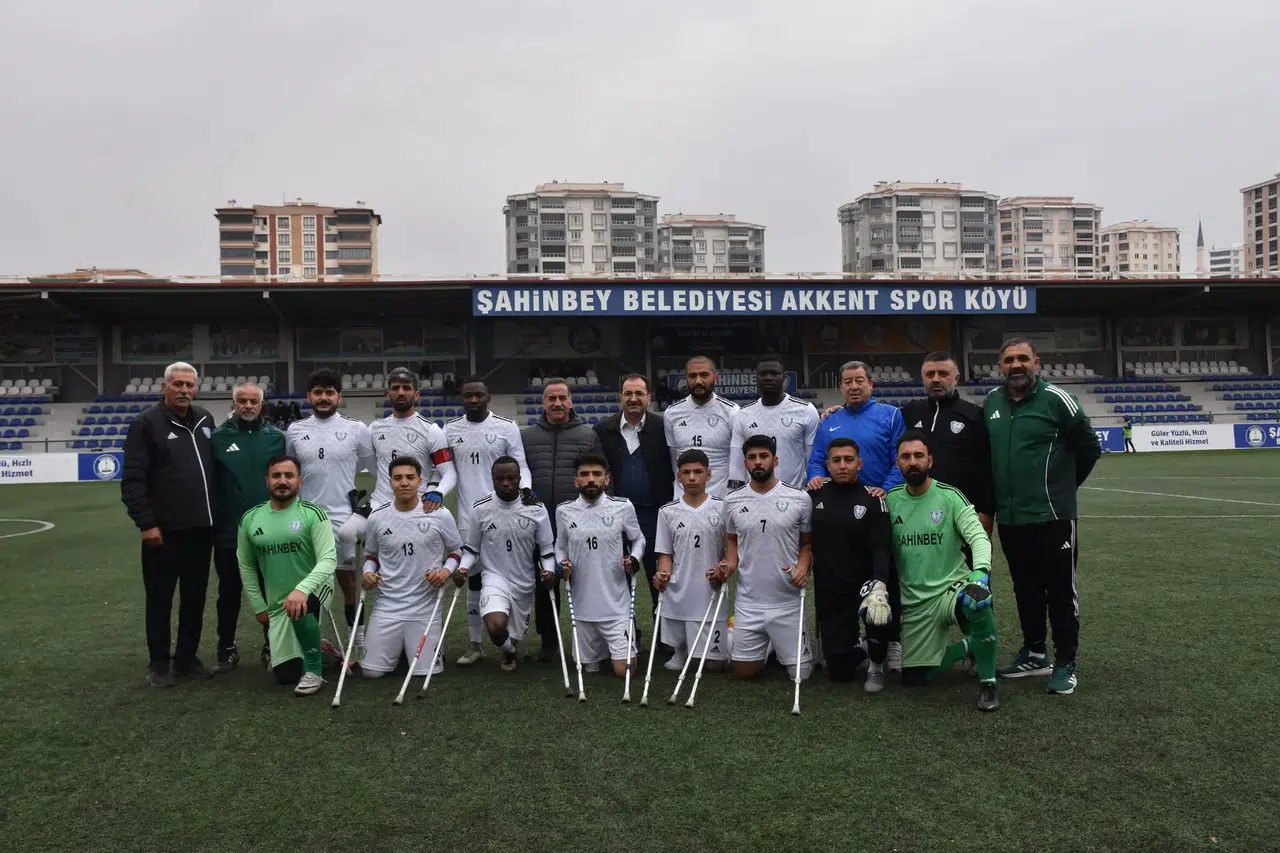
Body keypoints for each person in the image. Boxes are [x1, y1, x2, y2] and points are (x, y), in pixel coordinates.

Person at [985, 338, 1101, 695]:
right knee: (1026, 589)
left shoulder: (1057, 400)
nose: (1016, 365)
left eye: (1023, 358)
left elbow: (1089, 448)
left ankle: (1066, 662)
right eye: (1009, 360)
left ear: (1037, 363)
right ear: (1000, 366)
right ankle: (1035, 653)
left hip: (1053, 516)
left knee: (1061, 591)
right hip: (1012, 518)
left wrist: (1062, 490)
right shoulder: (991, 402)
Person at [886, 431, 999, 712]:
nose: (913, 462)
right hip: (915, 602)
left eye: (918, 456)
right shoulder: (890, 501)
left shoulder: (950, 497)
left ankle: (989, 683)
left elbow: (978, 537)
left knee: (978, 603)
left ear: (930, 461)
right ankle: (972, 646)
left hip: (953, 587)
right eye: (906, 457)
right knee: (917, 679)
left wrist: (980, 575)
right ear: (897, 463)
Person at [341, 367, 456, 643]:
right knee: (345, 534)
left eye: (406, 388)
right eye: (396, 387)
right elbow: (370, 468)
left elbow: (448, 472)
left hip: (418, 506)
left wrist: (436, 492)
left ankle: (414, 621)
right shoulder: (375, 429)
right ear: (387, 393)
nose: (401, 392)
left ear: (416, 393)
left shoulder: (431, 430)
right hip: (381, 505)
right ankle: (354, 600)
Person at [121, 361, 217, 687]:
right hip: (163, 533)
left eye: (190, 385)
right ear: (164, 387)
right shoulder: (145, 424)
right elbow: (133, 480)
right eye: (178, 384)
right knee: (160, 599)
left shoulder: (205, 419)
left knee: (195, 598)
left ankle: (186, 658)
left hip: (202, 531)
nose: (184, 390)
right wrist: (146, 524)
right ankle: (159, 662)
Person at [285, 369, 376, 647]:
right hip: (305, 520)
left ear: (339, 397)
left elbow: (376, 471)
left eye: (329, 392)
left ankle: (357, 645)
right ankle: (312, 646)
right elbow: (290, 473)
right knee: (307, 585)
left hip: (342, 522)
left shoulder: (356, 429)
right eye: (318, 392)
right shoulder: (295, 430)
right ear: (308, 397)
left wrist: (368, 507)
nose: (323, 398)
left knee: (349, 584)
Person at [710, 435, 813, 681]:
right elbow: (733, 541)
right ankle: (761, 641)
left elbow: (807, 544)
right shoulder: (733, 501)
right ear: (745, 462)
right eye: (752, 457)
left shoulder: (799, 498)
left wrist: (802, 567)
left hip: (787, 602)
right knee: (744, 673)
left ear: (775, 460)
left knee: (802, 675)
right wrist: (728, 565)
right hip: (749, 602)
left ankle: (778, 640)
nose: (758, 462)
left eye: (763, 456)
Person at [445, 376, 532, 666]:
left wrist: (527, 492)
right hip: (467, 517)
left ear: (487, 396)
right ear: (461, 397)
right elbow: (446, 471)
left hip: (505, 513)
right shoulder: (450, 430)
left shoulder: (506, 427)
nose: (473, 400)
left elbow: (521, 465)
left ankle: (512, 635)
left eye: (478, 395)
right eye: (467, 395)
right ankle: (474, 644)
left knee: (510, 574)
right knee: (473, 580)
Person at [237, 455, 337, 696]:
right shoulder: (250, 519)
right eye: (277, 476)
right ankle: (322, 650)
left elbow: (328, 560)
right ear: (267, 481)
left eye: (289, 476)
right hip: (278, 601)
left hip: (316, 589)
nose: (283, 481)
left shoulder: (314, 514)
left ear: (299, 481)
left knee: (298, 607)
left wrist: (302, 589)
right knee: (285, 676)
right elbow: (246, 565)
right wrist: (259, 606)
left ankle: (314, 671)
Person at [522, 377, 603, 660]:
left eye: (562, 398)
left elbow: (601, 476)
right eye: (551, 398)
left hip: (578, 522)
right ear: (543, 402)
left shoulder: (588, 435)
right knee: (545, 582)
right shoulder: (526, 437)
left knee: (586, 578)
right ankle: (549, 642)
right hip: (540, 524)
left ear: (571, 401)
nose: (557, 403)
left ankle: (592, 638)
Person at [360, 457, 462, 681]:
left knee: (425, 673)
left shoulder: (440, 514)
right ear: (390, 482)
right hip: (388, 605)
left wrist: (445, 572)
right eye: (398, 478)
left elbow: (457, 552)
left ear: (420, 481)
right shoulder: (377, 517)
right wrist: (367, 573)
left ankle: (417, 646)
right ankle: (400, 648)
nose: (403, 483)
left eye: (409, 477)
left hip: (424, 607)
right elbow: (370, 556)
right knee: (371, 672)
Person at [807, 438, 895, 691]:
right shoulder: (813, 496)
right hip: (830, 588)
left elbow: (881, 547)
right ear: (827, 465)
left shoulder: (873, 498)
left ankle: (877, 664)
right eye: (836, 460)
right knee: (839, 671)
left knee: (878, 612)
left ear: (859, 463)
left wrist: (879, 585)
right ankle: (864, 646)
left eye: (848, 460)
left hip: (865, 585)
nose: (842, 466)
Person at [210, 380, 286, 672]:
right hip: (230, 533)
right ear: (234, 403)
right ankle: (226, 648)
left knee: (273, 592)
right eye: (243, 400)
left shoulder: (276, 438)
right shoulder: (217, 438)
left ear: (262, 404)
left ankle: (273, 646)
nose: (248, 406)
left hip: (270, 532)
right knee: (229, 592)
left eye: (254, 401)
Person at [594, 373, 674, 648]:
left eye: (639, 393)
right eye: (628, 393)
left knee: (658, 576)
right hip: (616, 518)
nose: (634, 398)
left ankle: (665, 636)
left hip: (655, 514)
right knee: (618, 579)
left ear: (649, 397)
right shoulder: (604, 429)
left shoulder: (664, 427)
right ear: (621, 397)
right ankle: (626, 634)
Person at [458, 456, 557, 671]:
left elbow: (547, 549)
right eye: (499, 478)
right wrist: (463, 568)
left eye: (511, 478)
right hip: (493, 576)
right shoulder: (480, 508)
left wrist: (549, 571)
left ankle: (511, 648)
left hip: (523, 580)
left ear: (519, 479)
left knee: (511, 634)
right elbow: (472, 548)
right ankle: (510, 651)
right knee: (495, 627)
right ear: (492, 479)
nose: (505, 483)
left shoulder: (536, 509)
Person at [555, 453, 646, 676]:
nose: (591, 479)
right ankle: (603, 649)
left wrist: (634, 559)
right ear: (576, 481)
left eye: (597, 474)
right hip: (583, 609)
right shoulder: (563, 511)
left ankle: (625, 640)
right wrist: (561, 564)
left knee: (625, 672)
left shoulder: (623, 507)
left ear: (607, 479)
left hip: (617, 608)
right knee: (589, 669)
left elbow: (639, 539)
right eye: (584, 475)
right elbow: (559, 547)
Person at [899, 352, 996, 534]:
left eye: (943, 374)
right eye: (930, 375)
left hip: (962, 512)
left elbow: (986, 468)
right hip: (916, 509)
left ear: (956, 378)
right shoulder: (910, 412)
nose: (936, 379)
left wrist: (986, 512)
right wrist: (838, 409)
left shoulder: (974, 415)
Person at [653, 449, 728, 672]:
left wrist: (722, 569)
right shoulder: (668, 511)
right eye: (686, 472)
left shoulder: (722, 508)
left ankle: (729, 637)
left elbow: (730, 550)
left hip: (710, 586)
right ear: (679, 476)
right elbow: (665, 552)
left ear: (709, 474)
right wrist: (663, 574)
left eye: (698, 472)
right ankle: (680, 650)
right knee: (681, 654)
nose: (692, 477)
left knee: (714, 666)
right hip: (679, 584)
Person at [807, 360, 904, 496]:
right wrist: (816, 476)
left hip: (878, 499)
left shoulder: (891, 415)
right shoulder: (829, 419)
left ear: (870, 384)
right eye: (847, 382)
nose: (853, 387)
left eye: (859, 381)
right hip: (837, 500)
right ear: (841, 387)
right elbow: (817, 459)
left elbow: (901, 459)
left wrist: (887, 488)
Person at [728, 359, 819, 490]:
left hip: (794, 496)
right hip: (755, 498)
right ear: (756, 379)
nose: (768, 378)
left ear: (784, 378)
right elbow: (737, 463)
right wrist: (734, 494)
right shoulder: (743, 414)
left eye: (774, 373)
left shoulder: (805, 410)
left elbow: (812, 458)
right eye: (763, 374)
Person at [664, 355, 740, 499]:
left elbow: (736, 461)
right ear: (686, 379)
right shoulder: (672, 413)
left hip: (720, 498)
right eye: (693, 376)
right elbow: (675, 461)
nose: (698, 381)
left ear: (715, 378)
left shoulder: (731, 411)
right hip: (683, 499)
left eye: (704, 375)